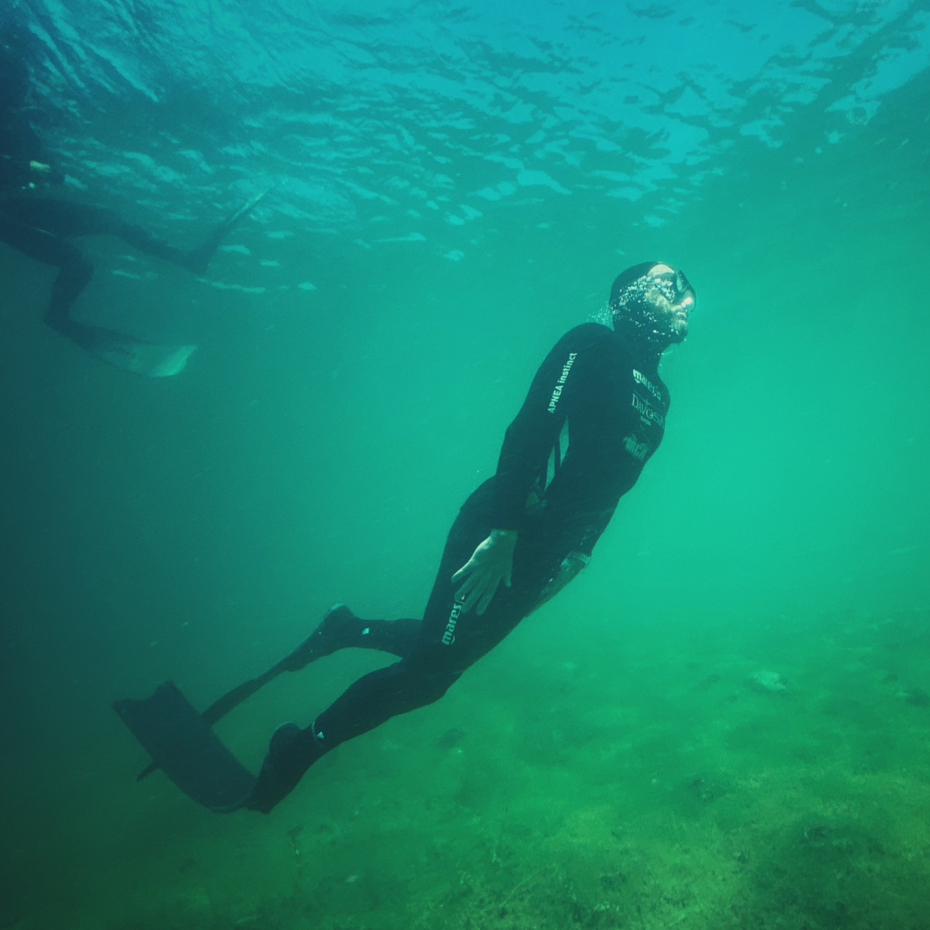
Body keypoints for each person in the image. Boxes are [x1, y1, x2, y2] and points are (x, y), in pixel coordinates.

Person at [244, 260, 697, 813]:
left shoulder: (659, 394)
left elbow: (616, 481)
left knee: (448, 653)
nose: (686, 300)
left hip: (549, 549)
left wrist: (581, 552)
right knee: (430, 676)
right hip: (501, 532)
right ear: (629, 296)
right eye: (670, 287)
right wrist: (506, 529)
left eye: (687, 291)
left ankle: (345, 627)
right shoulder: (592, 343)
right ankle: (293, 755)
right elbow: (532, 427)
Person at [0, 35, 263, 376]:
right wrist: (33, 168)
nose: (25, 89)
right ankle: (58, 318)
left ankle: (186, 259)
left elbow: (37, 163)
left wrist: (43, 167)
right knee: (79, 262)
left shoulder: (19, 118)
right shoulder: (12, 110)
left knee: (111, 220)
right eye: (18, 82)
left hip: (15, 203)